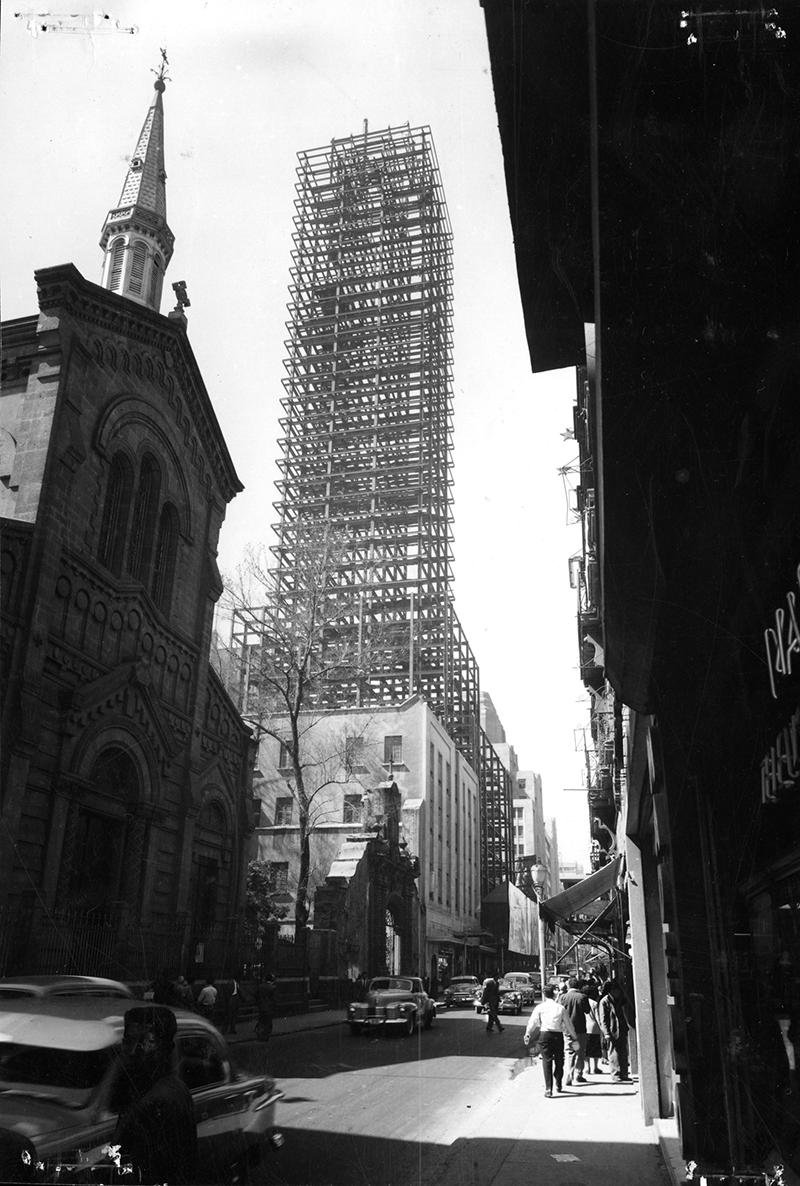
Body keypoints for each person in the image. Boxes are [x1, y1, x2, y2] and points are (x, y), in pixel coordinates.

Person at [111, 1005, 198, 1185]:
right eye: (128, 1041)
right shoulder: (145, 1089)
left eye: (144, 1043)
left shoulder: (162, 1098)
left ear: (164, 1049)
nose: (133, 1051)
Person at [524, 984, 577, 1097]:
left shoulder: (540, 1007)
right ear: (554, 993)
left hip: (544, 1035)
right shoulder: (560, 1008)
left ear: (544, 994)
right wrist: (574, 1036)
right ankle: (558, 1082)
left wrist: (528, 1033)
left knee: (546, 1061)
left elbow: (532, 1022)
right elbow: (568, 1024)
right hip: (557, 1036)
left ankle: (548, 1089)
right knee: (559, 1061)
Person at [598, 979, 632, 1083]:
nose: (618, 992)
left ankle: (624, 1074)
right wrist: (606, 1033)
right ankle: (615, 1074)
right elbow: (603, 1019)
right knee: (613, 1053)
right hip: (612, 1030)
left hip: (621, 1028)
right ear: (611, 991)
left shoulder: (621, 999)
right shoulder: (605, 1001)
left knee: (623, 1052)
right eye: (616, 990)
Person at [561, 976, 591, 1085]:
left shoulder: (563, 997)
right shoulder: (582, 997)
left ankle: (569, 1074)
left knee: (570, 1052)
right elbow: (587, 1011)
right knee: (580, 1052)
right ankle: (579, 1074)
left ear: (568, 986)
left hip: (568, 1030)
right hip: (580, 1029)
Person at [255, 973, 276, 1042]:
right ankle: (265, 1036)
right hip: (269, 1008)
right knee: (268, 1023)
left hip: (261, 1007)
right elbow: (274, 999)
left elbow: (256, 996)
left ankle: (259, 1035)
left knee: (261, 1022)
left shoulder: (260, 986)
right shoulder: (272, 988)